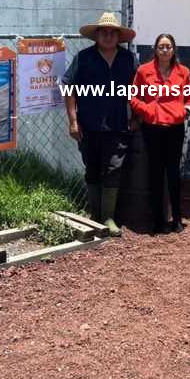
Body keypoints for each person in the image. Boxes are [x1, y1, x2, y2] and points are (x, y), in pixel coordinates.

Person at [63, 12, 137, 237]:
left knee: (114, 169)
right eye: (103, 32)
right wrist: (73, 121)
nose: (108, 36)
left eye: (112, 33)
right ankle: (94, 216)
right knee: (92, 169)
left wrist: (137, 117)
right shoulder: (84, 58)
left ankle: (108, 218)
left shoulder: (128, 59)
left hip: (118, 125)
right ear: (96, 35)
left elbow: (139, 90)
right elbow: (69, 87)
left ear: (118, 36)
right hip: (89, 125)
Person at [130, 34, 190, 234]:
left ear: (174, 49)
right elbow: (133, 96)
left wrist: (185, 111)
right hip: (153, 127)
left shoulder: (183, 72)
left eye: (168, 47)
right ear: (155, 50)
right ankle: (157, 219)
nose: (165, 50)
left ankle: (177, 218)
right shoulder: (144, 71)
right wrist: (148, 111)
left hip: (175, 127)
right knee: (155, 173)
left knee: (174, 173)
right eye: (161, 47)